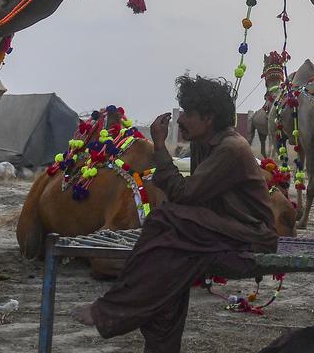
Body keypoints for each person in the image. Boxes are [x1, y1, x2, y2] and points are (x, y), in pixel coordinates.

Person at [71, 75, 279, 353]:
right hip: (218, 229)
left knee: (163, 219)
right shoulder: (206, 143)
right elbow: (194, 197)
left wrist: (159, 147)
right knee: (170, 267)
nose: (180, 120)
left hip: (250, 234)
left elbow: (185, 193)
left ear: (208, 118)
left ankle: (112, 309)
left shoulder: (231, 148)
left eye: (188, 114)